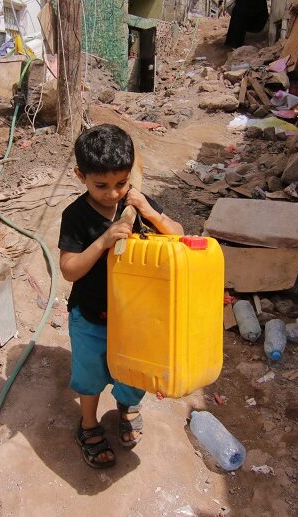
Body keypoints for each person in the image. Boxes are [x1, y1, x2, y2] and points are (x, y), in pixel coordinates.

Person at [58, 124, 184, 469]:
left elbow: (180, 236)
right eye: (101, 186)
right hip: (91, 316)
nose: (113, 194)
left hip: (137, 318)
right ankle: (87, 424)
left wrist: (150, 211)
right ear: (80, 176)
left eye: (121, 183)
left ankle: (127, 408)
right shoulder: (76, 216)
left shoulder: (137, 204)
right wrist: (103, 242)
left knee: (133, 372)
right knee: (91, 375)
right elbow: (69, 269)